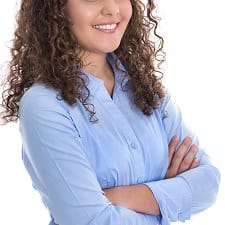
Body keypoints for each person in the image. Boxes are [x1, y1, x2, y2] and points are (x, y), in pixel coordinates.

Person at [0, 0, 220, 225]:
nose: (112, 9)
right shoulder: (44, 105)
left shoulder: (147, 89)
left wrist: (117, 196)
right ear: (54, 7)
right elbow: (92, 220)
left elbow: (208, 182)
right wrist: (168, 199)